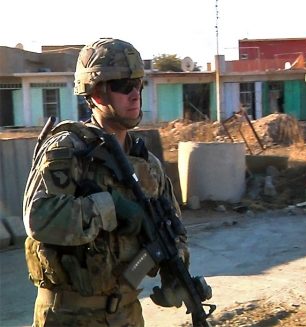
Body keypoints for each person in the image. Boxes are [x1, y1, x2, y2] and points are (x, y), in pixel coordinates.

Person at [23, 38, 189, 326]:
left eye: (138, 83)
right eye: (124, 85)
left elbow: (171, 228)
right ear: (96, 92)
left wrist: (176, 271)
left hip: (126, 315)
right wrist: (109, 207)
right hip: (68, 317)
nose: (135, 94)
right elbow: (38, 218)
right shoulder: (67, 151)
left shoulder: (148, 165)